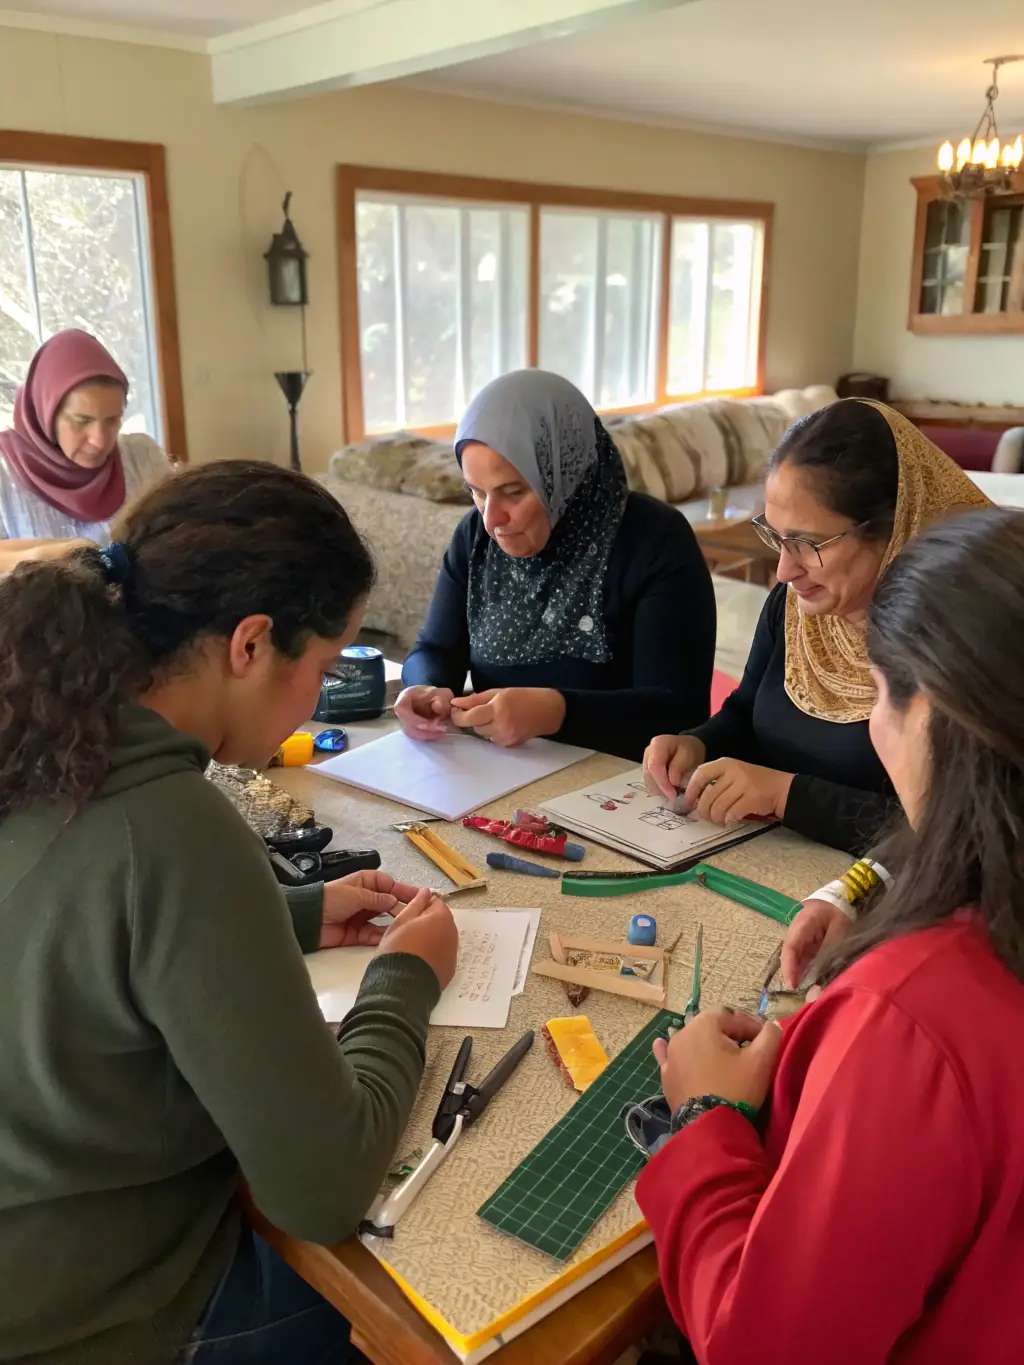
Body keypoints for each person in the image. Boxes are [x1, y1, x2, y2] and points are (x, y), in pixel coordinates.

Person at [0, 461, 459, 1364]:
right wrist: (407, 978)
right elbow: (320, 1185)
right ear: (249, 644)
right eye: (321, 667)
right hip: (102, 1321)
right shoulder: (174, 827)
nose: (319, 699)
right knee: (423, 1314)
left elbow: (79, 926)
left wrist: (286, 914)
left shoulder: (42, 737)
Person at [637, 506, 1024, 1365]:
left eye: (882, 692)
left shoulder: (911, 1020)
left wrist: (703, 1116)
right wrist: (866, 884)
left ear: (943, 711)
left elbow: (762, 1346)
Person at [643, 399, 989, 854]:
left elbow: (959, 835)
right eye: (776, 536)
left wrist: (786, 795)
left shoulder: (964, 639)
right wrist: (698, 744)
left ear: (892, 529)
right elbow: (748, 710)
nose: (784, 570)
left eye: (807, 543)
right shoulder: (797, 607)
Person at [397, 370, 716, 761]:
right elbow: (434, 649)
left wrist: (557, 712)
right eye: (476, 493)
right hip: (500, 772)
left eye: (513, 492)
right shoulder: (475, 538)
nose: (491, 519)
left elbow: (678, 712)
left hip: (620, 782)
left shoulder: (654, 541)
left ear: (568, 474)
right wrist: (424, 688)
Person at [0, 328, 169, 571]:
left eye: (112, 420)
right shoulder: (4, 477)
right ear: (46, 413)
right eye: (82, 421)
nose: (99, 441)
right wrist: (43, 556)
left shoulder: (143, 457)